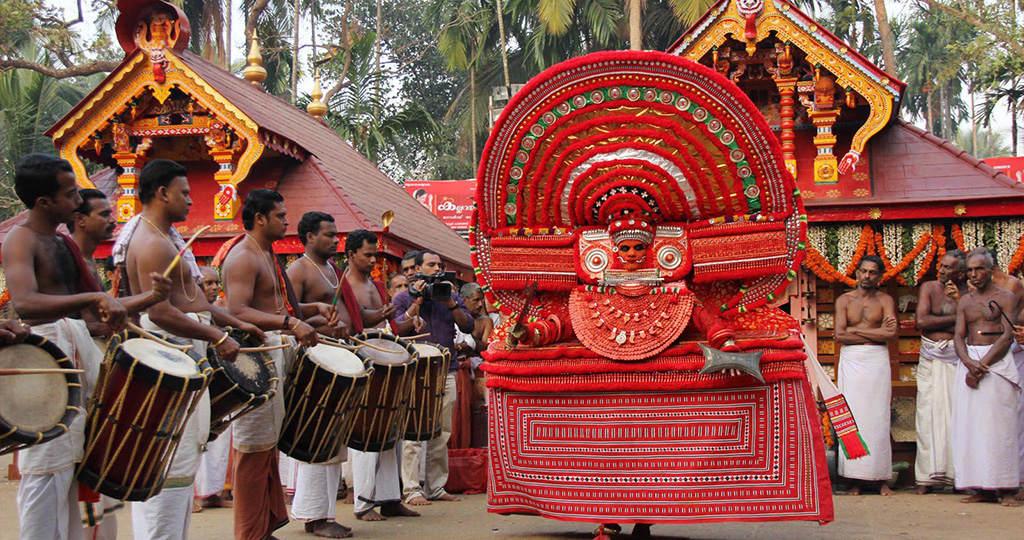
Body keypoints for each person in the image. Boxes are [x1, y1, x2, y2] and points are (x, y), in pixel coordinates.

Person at [116, 159, 264, 540]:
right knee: (168, 462)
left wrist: (235, 323)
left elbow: (195, 301)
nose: (190, 199)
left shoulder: (167, 237)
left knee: (182, 461)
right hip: (168, 353)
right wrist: (216, 337)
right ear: (162, 193)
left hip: (185, 352)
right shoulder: (151, 242)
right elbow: (161, 312)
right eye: (184, 192)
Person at [3, 154, 127, 540]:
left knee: (81, 467)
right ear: (44, 202)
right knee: (47, 470)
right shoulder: (20, 239)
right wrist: (92, 300)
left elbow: (91, 307)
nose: (78, 201)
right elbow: (25, 302)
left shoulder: (61, 241)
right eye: (70, 193)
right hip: (46, 362)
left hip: (78, 352)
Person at [219, 189, 346, 540]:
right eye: (280, 215)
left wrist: (312, 312)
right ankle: (249, 532)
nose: (287, 221)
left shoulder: (267, 253)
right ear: (260, 218)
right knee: (254, 447)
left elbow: (276, 308)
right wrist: (292, 324)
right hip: (255, 359)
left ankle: (264, 526)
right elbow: (238, 311)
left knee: (268, 444)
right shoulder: (243, 255)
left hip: (276, 353)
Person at [68, 187, 173, 539]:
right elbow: (89, 319)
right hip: (77, 373)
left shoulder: (87, 261)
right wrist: (151, 299)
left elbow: (98, 318)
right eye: (103, 213)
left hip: (95, 366)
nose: (112, 219)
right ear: (79, 220)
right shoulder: (67, 257)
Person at [339, 229, 421, 522]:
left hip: (386, 364)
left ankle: (389, 498)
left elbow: (392, 328)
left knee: (392, 433)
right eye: (368, 254)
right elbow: (351, 326)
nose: (373, 260)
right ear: (351, 254)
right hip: (362, 363)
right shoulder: (344, 285)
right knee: (365, 433)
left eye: (375, 254)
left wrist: (412, 315)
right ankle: (363, 503)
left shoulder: (375, 284)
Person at [285, 212, 353, 538]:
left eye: (336, 234)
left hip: (336, 357)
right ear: (310, 237)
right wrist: (321, 326)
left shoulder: (333, 271)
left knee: (333, 437)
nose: (335, 240)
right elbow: (288, 318)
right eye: (329, 234)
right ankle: (314, 516)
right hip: (314, 362)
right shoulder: (297, 270)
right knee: (316, 433)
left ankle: (325, 512)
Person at [394, 250, 474, 506]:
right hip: (416, 370)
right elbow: (397, 327)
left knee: (442, 432)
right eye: (431, 265)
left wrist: (450, 304)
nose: (437, 268)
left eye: (440, 264)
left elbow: (468, 326)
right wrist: (417, 300)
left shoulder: (450, 295)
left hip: (446, 369)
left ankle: (436, 486)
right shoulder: (404, 296)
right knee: (414, 431)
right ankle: (411, 489)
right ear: (417, 269)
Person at [952, 249, 1020, 507]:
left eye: (978, 269)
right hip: (970, 361)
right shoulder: (965, 301)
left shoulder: (1006, 297)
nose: (973, 275)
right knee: (972, 427)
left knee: (1000, 427)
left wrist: (982, 365)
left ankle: (1007, 487)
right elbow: (958, 335)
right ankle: (983, 488)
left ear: (991, 270)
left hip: (996, 362)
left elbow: (1007, 335)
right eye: (969, 270)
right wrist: (969, 363)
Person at [834, 255, 897, 496]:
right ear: (857, 273)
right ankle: (855, 480)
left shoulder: (885, 300)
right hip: (852, 360)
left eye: (872, 272)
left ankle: (880, 478)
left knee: (878, 417)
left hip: (877, 360)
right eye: (863, 271)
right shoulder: (844, 300)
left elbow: (890, 334)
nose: (867, 276)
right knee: (852, 417)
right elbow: (840, 335)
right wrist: (874, 332)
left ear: (879, 277)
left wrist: (855, 330)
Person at [912, 249, 967, 494]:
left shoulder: (969, 293)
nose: (941, 270)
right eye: (941, 266)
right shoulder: (930, 288)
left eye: (947, 267)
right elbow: (921, 322)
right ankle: (926, 478)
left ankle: (960, 478)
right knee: (927, 417)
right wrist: (959, 316)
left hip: (960, 359)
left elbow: (973, 321)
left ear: (962, 273)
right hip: (931, 358)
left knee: (960, 418)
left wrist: (959, 305)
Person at [194, 266, 233, 511]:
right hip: (197, 384)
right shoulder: (189, 313)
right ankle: (194, 495)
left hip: (217, 384)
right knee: (196, 438)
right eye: (207, 283)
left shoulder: (217, 312)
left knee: (218, 440)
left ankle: (213, 492)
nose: (213, 287)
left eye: (215, 282)